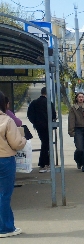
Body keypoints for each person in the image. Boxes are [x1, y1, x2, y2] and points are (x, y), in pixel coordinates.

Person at [0, 90, 26, 238]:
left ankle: (7, 225)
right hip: (4, 160)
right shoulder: (6, 120)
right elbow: (16, 143)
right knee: (4, 194)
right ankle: (5, 228)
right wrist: (23, 140)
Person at [26, 87, 56, 173]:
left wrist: (35, 122)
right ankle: (44, 164)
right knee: (46, 144)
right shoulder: (49, 103)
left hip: (39, 127)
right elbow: (53, 115)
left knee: (44, 143)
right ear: (47, 93)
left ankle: (45, 163)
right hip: (48, 126)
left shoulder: (34, 103)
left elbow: (29, 114)